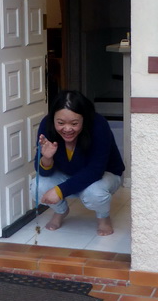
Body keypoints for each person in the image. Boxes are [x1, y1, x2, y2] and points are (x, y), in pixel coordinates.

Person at [32, 89, 125, 236]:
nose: (67, 129)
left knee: (94, 193)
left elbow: (96, 170)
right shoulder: (47, 125)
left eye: (74, 123)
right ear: (53, 118)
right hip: (67, 173)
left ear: (84, 119)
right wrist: (47, 158)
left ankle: (103, 217)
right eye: (61, 123)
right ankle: (60, 211)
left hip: (104, 175)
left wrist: (59, 191)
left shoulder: (98, 125)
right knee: (38, 186)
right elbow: (42, 172)